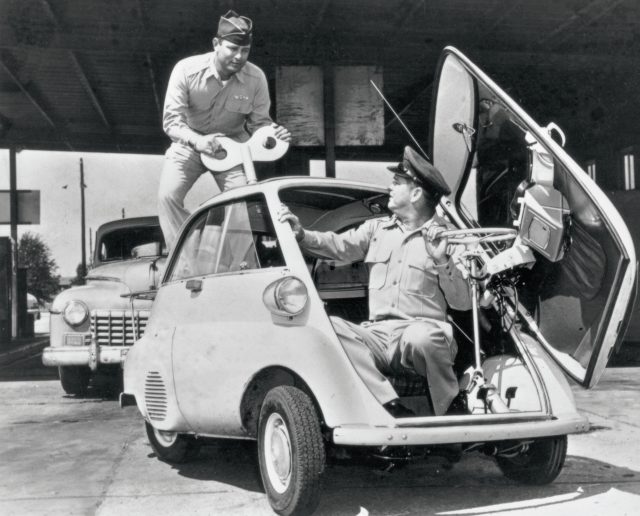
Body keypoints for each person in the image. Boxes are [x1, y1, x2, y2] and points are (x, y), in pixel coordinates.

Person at [278, 146, 472, 417]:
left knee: (423, 337)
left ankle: (450, 412)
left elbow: (462, 302)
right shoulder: (377, 229)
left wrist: (442, 261)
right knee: (331, 327)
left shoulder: (446, 238)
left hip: (421, 335)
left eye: (397, 182)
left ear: (416, 193)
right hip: (379, 336)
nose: (390, 187)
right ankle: (389, 406)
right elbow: (338, 246)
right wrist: (302, 235)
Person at [158, 10, 291, 249]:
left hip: (233, 147)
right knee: (167, 196)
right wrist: (198, 142)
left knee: (245, 203)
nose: (239, 56)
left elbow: (260, 124)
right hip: (190, 142)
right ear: (216, 44)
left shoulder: (256, 78)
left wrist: (274, 134)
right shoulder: (186, 70)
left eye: (245, 50)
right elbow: (171, 121)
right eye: (232, 48)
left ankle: (231, 265)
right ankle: (184, 256)